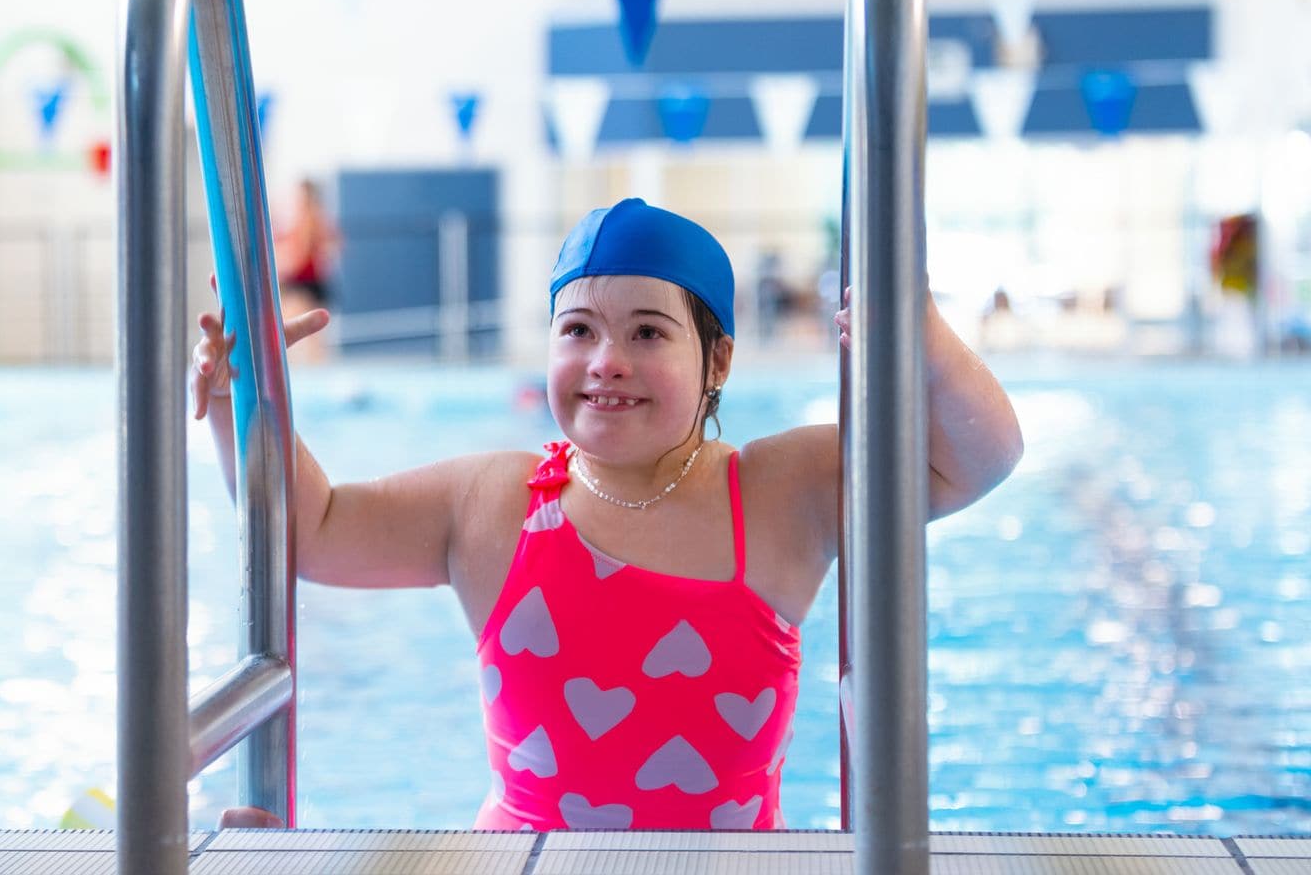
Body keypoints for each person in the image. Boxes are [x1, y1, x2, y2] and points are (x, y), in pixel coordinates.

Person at [191, 198, 1023, 831]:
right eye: (577, 329)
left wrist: (923, 334)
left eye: (650, 334)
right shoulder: (495, 503)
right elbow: (316, 530)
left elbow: (975, 460)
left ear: (718, 360)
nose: (606, 363)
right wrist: (240, 402)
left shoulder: (782, 492)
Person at [274, 178, 340, 314]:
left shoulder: (313, 220)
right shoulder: (296, 221)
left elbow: (301, 254)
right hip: (298, 283)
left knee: (306, 325)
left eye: (302, 197)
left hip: (305, 285)